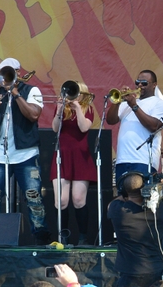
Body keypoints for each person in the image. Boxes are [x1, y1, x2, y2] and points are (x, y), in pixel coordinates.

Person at [0, 57, 51, 244]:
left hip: (25, 154)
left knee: (33, 197)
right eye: (2, 73)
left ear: (18, 73)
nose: (5, 77)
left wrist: (16, 94)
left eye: (9, 72)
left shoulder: (31, 90)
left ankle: (41, 240)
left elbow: (34, 115)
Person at [108, 171, 163, 287]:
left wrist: (125, 192)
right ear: (144, 188)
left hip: (129, 273)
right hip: (156, 272)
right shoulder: (160, 209)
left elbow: (113, 203)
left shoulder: (116, 210)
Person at [50, 82, 96, 245]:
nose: (72, 95)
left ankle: (83, 237)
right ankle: (63, 237)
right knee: (61, 201)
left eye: (75, 92)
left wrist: (77, 108)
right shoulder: (62, 108)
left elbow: (84, 128)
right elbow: (55, 129)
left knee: (78, 199)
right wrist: (60, 111)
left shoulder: (87, 109)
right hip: (62, 155)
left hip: (80, 157)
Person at [107, 70, 163, 188]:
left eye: (144, 83)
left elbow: (153, 126)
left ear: (154, 85)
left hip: (144, 160)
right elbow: (110, 120)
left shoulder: (159, 104)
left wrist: (134, 106)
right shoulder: (127, 104)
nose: (140, 85)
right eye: (137, 82)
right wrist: (117, 102)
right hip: (123, 159)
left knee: (142, 197)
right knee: (124, 198)